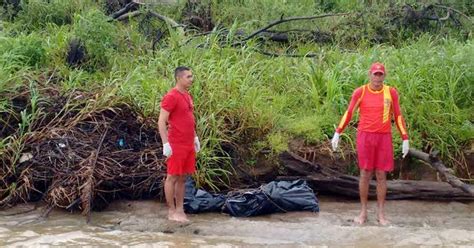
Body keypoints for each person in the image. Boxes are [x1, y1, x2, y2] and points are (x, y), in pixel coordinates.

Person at [331, 62, 409, 225]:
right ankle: (363, 212)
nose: (377, 77)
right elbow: (349, 112)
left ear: (384, 76)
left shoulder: (391, 93)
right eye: (375, 74)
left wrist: (405, 138)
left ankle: (381, 214)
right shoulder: (360, 92)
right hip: (365, 136)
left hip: (383, 137)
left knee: (381, 174)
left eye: (380, 74)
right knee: (365, 173)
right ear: (370, 74)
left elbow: (398, 116)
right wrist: (338, 132)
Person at [158, 66, 201, 222]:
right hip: (176, 143)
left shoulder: (187, 96)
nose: (191, 79)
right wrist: (166, 143)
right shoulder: (171, 96)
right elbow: (161, 121)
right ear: (179, 78)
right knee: (172, 177)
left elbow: (189, 119)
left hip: (188, 143)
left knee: (183, 177)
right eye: (188, 77)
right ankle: (171, 211)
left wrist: (195, 137)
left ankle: (180, 209)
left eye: (191, 76)